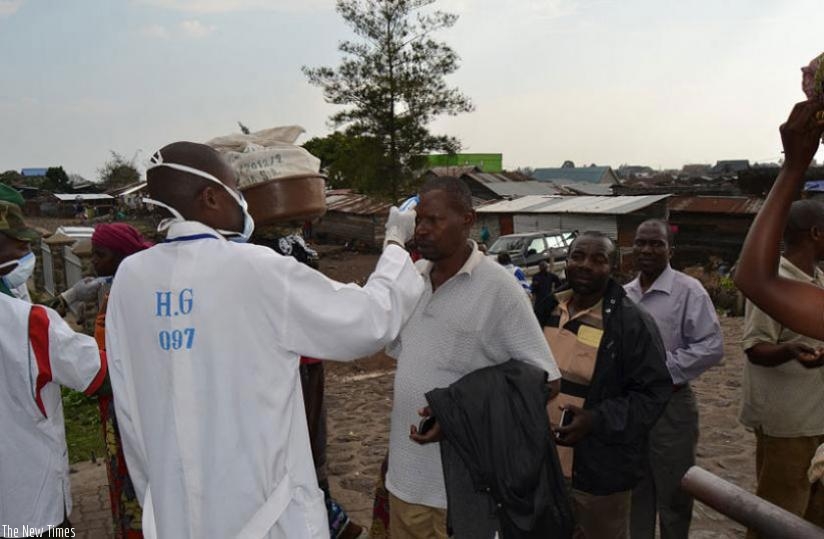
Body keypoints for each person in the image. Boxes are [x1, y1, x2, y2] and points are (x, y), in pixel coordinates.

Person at [104, 141, 423, 538]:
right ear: (210, 197)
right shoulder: (256, 270)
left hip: (175, 518)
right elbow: (369, 320)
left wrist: (161, 501)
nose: (244, 203)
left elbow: (129, 412)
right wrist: (394, 244)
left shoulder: (130, 280)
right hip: (264, 519)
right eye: (236, 190)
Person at [384, 176, 561, 538]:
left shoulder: (499, 288)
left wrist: (459, 415)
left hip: (463, 491)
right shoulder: (412, 280)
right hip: (404, 479)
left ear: (468, 220)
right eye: (419, 220)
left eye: (434, 220)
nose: (422, 230)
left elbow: (546, 379)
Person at [538, 230, 671, 539]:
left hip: (597, 475)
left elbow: (653, 395)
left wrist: (597, 420)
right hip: (541, 467)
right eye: (578, 256)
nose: (585, 265)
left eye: (598, 260)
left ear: (615, 268)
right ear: (566, 261)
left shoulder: (631, 322)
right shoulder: (545, 308)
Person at [0, 200, 108, 536]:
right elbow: (101, 375)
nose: (26, 247)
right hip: (29, 507)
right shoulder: (28, 322)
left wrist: (65, 299)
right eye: (16, 240)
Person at [624, 219, 724, 539]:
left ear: (671, 249)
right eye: (641, 243)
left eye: (656, 243)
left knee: (675, 494)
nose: (647, 250)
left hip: (671, 406)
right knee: (635, 492)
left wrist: (661, 372)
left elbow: (711, 346)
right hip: (631, 406)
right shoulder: (625, 295)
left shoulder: (688, 291)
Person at [739, 200, 824, 535]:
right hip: (788, 423)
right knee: (779, 515)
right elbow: (755, 347)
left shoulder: (818, 278)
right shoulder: (774, 282)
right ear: (816, 233)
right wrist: (789, 350)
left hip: (816, 417)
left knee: (816, 513)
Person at [89, 223, 153, 539]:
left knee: (138, 474)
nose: (93, 262)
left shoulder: (136, 294)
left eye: (99, 255)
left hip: (134, 402)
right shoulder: (113, 288)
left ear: (121, 254)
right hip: (114, 400)